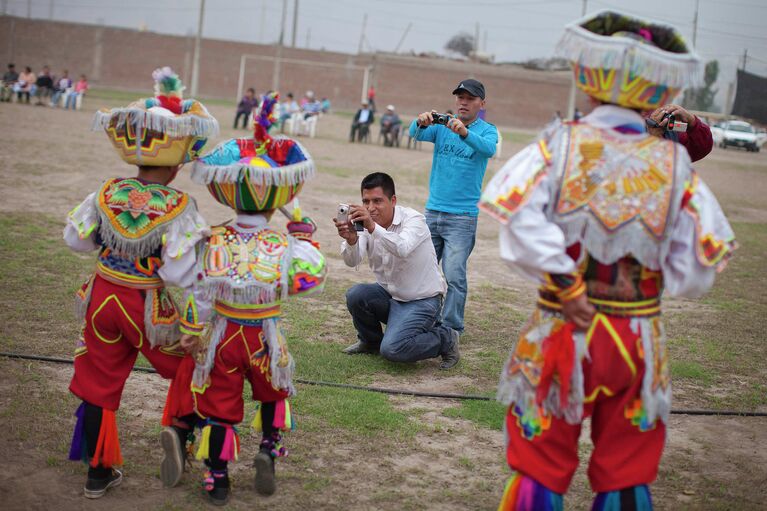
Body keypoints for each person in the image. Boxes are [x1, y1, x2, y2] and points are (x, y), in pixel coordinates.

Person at [478, 11, 736, 509]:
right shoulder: (672, 162)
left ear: (588, 81)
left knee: (540, 460)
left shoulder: (561, 144)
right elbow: (697, 267)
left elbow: (516, 216)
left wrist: (567, 283)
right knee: (626, 469)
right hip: (637, 339)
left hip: (563, 331)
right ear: (656, 91)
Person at [63, 67, 219, 499]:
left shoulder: (108, 190)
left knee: (98, 380)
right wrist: (193, 321)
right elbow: (177, 272)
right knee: (189, 361)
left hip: (99, 298)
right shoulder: (179, 204)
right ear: (176, 165)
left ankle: (97, 472)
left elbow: (75, 239)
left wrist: (109, 237)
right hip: (145, 306)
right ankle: (179, 430)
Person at [173, 94, 325, 505]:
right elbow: (310, 279)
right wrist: (301, 227)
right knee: (274, 391)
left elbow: (200, 292)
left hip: (223, 333)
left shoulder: (214, 238)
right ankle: (269, 448)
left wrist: (190, 330)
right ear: (277, 195)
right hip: (265, 334)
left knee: (220, 406)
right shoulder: (281, 244)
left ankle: (216, 477)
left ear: (227, 193)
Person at [334, 172, 460, 369]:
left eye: (377, 201)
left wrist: (372, 227)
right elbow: (353, 261)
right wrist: (352, 240)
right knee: (356, 295)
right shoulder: (366, 225)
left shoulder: (414, 220)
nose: (370, 208)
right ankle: (371, 342)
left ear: (393, 200)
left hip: (422, 301)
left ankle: (446, 338)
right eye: (366, 201)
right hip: (391, 295)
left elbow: (402, 248)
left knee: (393, 349)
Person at [408, 78, 498, 336]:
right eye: (460, 97)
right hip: (432, 212)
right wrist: (420, 121)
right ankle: (420, 320)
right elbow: (413, 133)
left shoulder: (487, 130)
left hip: (462, 217)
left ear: (481, 103)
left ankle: (451, 328)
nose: (463, 102)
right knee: (422, 271)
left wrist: (465, 133)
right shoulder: (442, 126)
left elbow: (489, 149)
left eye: (470, 98)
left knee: (455, 277)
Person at [645, 104, 713, 162]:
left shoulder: (667, 128)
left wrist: (692, 122)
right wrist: (653, 140)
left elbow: (701, 148)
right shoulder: (640, 126)